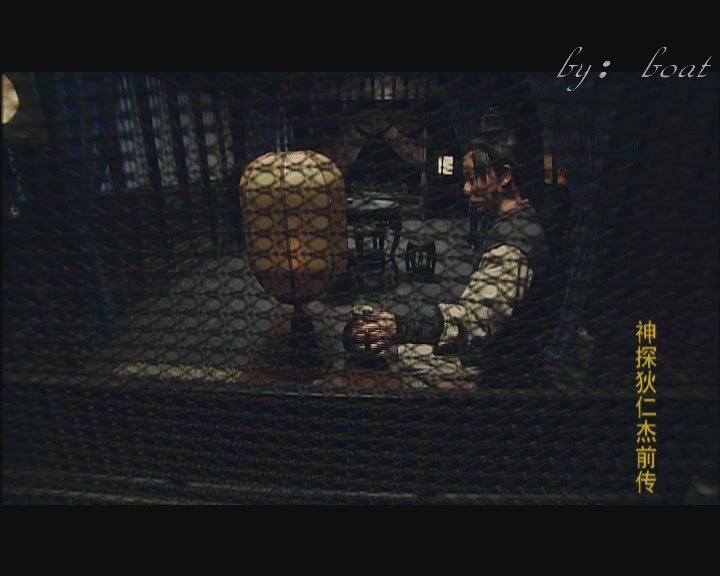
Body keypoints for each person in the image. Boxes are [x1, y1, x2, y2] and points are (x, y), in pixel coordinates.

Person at [351, 117, 555, 389]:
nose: (466, 189)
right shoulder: (516, 222)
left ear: (505, 176)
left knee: (402, 356)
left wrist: (401, 326)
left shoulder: (513, 244)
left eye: (473, 178)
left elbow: (473, 321)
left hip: (497, 365)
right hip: (495, 350)